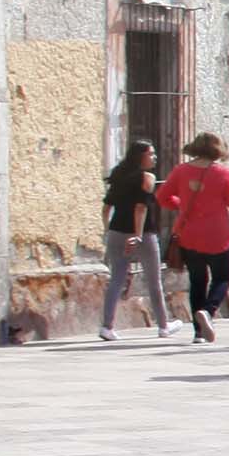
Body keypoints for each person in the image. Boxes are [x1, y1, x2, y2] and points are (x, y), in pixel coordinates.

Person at [158, 132, 229, 343]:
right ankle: (208, 311)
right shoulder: (222, 174)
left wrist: (180, 206)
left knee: (197, 281)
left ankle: (198, 333)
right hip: (218, 235)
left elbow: (161, 197)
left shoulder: (181, 171)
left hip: (189, 234)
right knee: (222, 278)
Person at [98, 141, 172, 340]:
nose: (154, 158)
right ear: (141, 156)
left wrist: (107, 231)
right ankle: (163, 326)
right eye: (151, 154)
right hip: (143, 234)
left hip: (116, 232)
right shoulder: (147, 178)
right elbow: (141, 208)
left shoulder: (118, 175)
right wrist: (137, 235)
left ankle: (107, 326)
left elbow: (106, 209)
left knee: (116, 279)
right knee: (154, 281)